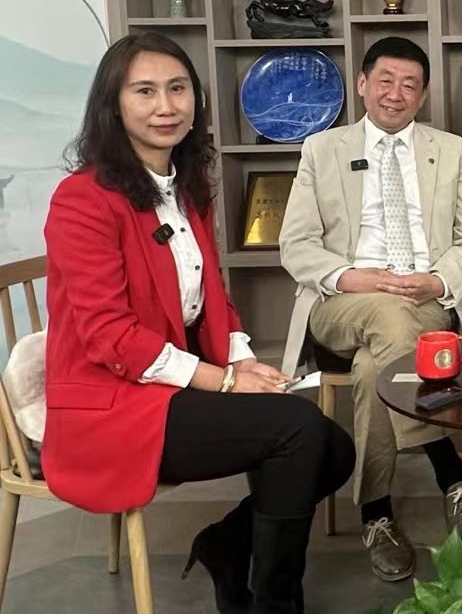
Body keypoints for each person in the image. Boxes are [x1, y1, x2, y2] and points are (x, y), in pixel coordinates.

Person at [42, 32, 355, 614]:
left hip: (166, 384)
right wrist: (227, 381)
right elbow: (110, 337)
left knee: (334, 449)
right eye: (145, 91)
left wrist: (242, 361)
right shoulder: (81, 200)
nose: (166, 106)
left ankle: (227, 547)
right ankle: (274, 604)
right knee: (298, 433)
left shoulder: (186, 189)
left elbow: (211, 297)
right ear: (113, 105)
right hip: (111, 406)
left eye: (178, 88)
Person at [279, 36, 462, 582]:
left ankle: (375, 513)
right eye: (386, 81)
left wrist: (436, 280)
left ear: (424, 95)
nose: (396, 94)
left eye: (410, 85)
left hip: (423, 302)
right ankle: (451, 470)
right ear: (362, 84)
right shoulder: (321, 149)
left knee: (378, 363)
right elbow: (296, 244)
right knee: (384, 316)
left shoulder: (450, 150)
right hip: (342, 301)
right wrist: (356, 277)